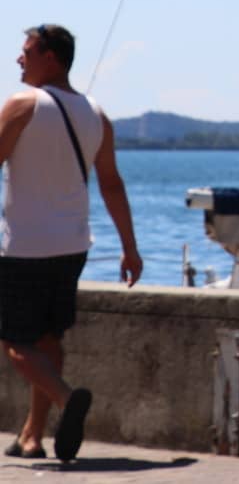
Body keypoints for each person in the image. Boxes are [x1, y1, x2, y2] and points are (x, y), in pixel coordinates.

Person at [0, 25, 141, 462]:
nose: (18, 60)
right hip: (74, 245)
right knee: (48, 338)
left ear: (52, 57)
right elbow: (112, 186)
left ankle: (66, 398)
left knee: (15, 342)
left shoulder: (22, 105)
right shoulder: (97, 114)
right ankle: (32, 436)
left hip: (24, 246)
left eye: (26, 52)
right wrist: (130, 248)